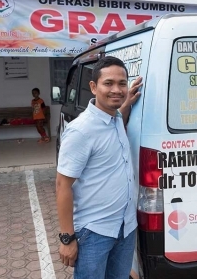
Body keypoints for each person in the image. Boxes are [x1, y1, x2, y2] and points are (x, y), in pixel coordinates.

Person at [56, 56, 142, 279]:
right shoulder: (80, 131)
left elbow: (117, 118)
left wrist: (128, 103)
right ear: (93, 87)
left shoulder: (115, 119)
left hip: (125, 226)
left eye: (122, 84)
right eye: (109, 83)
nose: (116, 89)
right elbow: (62, 185)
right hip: (94, 232)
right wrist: (67, 238)